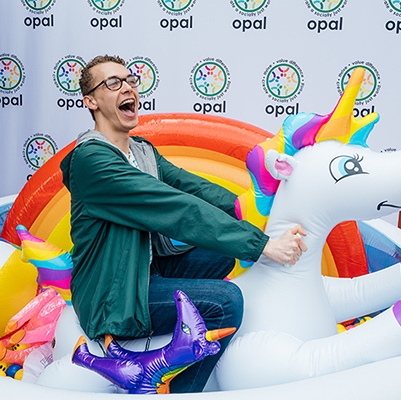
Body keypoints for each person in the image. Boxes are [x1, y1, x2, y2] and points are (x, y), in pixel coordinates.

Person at [60, 54, 307, 393]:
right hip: (113, 292)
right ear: (91, 101)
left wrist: (254, 209)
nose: (127, 88)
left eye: (131, 80)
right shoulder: (92, 159)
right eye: (113, 83)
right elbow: (174, 207)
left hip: (147, 269)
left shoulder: (142, 150)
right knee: (226, 303)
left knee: (221, 254)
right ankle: (168, 387)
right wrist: (261, 244)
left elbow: (191, 187)